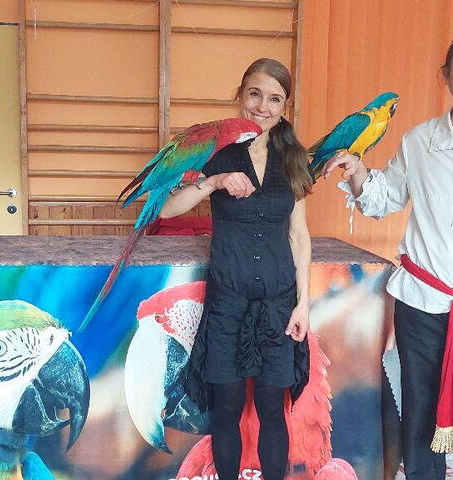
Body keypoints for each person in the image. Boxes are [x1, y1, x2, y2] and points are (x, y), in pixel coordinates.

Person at [159, 58, 312, 480]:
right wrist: (213, 182)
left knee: (272, 411)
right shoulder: (217, 152)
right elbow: (168, 209)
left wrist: (303, 305)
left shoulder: (294, 158)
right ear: (240, 95)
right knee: (225, 411)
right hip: (227, 306)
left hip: (279, 307)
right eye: (255, 94)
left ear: (285, 106)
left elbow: (299, 235)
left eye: (274, 99)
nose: (263, 106)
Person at [321, 42, 453, 480]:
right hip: (424, 301)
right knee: (421, 408)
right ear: (446, 77)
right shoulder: (420, 142)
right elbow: (385, 199)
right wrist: (358, 171)